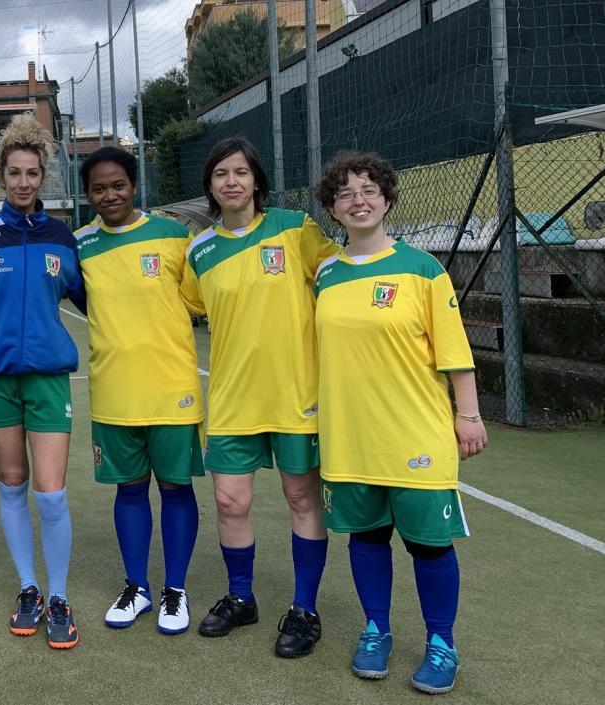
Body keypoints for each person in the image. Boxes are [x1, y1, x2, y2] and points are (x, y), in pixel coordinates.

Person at [312, 151, 486, 694]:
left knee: (429, 545)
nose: (357, 200)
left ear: (387, 199)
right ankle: (376, 630)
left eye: (368, 190)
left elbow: (454, 351)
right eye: (345, 193)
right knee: (366, 538)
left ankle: (441, 643)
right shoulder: (325, 274)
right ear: (333, 210)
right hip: (349, 435)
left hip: (416, 434)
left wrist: (469, 414)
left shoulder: (421, 268)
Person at [180, 136, 340, 658]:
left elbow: (340, 279)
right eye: (221, 173)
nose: (231, 181)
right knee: (231, 500)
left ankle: (304, 610)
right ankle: (240, 597)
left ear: (256, 180)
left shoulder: (295, 230)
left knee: (301, 499)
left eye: (241, 172)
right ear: (210, 186)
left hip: (297, 396)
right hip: (232, 398)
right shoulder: (200, 251)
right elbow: (191, 308)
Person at [0, 113, 86, 650]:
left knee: (50, 493)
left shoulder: (62, 237)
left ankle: (59, 596)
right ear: (0, 175)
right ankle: (27, 589)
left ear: (43, 176)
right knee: (12, 484)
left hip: (50, 379)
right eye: (14, 173)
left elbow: (87, 297)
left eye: (32, 173)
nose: (24, 182)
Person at [75, 147, 204, 635]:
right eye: (99, 188)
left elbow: (197, 297)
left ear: (135, 185)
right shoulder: (81, 244)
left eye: (118, 185)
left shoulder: (175, 236)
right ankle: (137, 588)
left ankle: (175, 590)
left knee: (175, 488)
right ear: (87, 194)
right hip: (113, 390)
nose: (109, 195)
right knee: (129, 490)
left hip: (172, 389)